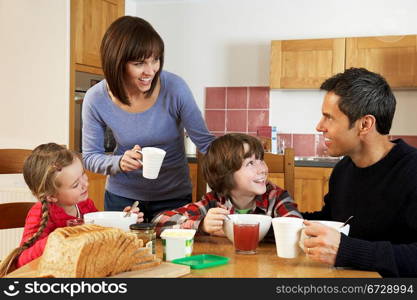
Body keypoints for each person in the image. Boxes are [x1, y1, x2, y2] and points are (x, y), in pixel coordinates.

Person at [82, 16, 214, 222]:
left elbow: (206, 143)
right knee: (125, 253)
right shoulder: (95, 98)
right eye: (139, 63)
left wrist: (241, 166)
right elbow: (90, 157)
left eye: (155, 59)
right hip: (122, 198)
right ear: (117, 63)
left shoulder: (175, 88)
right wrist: (119, 162)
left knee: (173, 253)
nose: (151, 70)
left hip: (174, 197)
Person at [301, 68, 417, 277]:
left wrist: (347, 250)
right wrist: (268, 217)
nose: (319, 126)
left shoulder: (412, 171)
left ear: (365, 124)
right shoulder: (343, 169)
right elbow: (331, 220)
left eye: (329, 118)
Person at [0, 143, 142, 276]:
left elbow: (101, 232)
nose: (85, 184)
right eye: (75, 185)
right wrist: (61, 237)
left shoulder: (84, 204)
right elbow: (22, 261)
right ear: (51, 196)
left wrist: (122, 220)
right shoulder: (40, 214)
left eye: (83, 175)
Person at [152, 133, 302, 236]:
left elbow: (297, 228)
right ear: (226, 173)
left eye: (261, 160)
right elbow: (158, 222)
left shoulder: (277, 198)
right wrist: (202, 225)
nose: (262, 169)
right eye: (250, 163)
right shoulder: (213, 203)